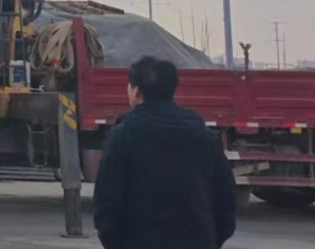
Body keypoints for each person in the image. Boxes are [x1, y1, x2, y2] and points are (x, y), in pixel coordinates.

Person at [93, 55, 236, 249]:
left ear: (136, 91)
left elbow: (106, 206)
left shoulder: (122, 137)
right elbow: (225, 201)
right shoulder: (204, 137)